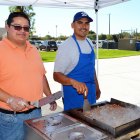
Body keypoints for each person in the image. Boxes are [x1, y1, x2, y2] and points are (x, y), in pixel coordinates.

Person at [0, 12, 57, 140]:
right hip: (11, 118)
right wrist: (10, 99)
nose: (22, 31)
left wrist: (50, 96)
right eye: (17, 27)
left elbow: (40, 76)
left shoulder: (34, 50)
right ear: (7, 26)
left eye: (26, 28)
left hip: (36, 112)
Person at [53, 11, 101, 111]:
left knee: (91, 124)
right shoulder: (66, 46)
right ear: (72, 25)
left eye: (87, 23)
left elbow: (91, 68)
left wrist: (97, 86)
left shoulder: (89, 42)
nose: (84, 26)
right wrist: (73, 82)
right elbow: (56, 75)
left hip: (91, 94)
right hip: (74, 98)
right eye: (80, 22)